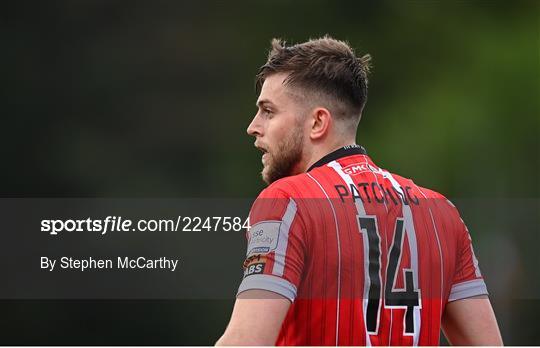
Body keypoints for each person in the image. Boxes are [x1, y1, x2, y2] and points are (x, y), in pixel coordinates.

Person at [216, 36, 502, 346]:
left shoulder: (287, 200)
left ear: (317, 123)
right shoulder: (441, 212)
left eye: (268, 111)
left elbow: (245, 341)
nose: (253, 126)